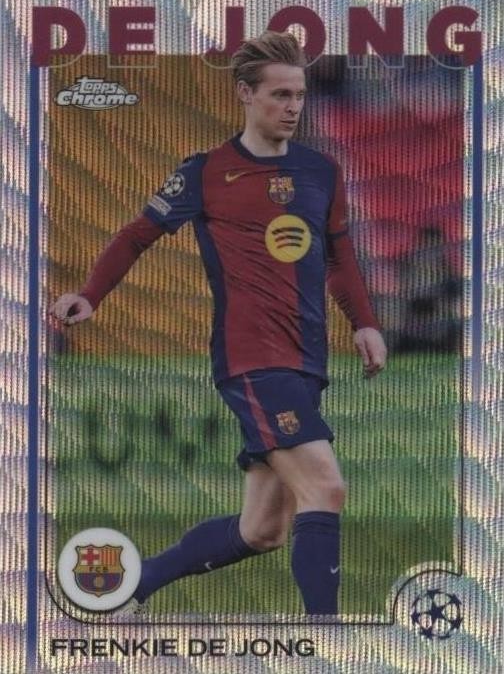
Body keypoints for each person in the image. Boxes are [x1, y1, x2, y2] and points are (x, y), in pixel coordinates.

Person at [49, 30, 387, 616]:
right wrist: (90, 295)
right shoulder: (206, 172)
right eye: (280, 95)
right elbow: (137, 234)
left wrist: (364, 323)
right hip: (252, 359)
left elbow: (339, 256)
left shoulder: (321, 172)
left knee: (263, 530)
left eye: (300, 95)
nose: (293, 107)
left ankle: (132, 587)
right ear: (245, 94)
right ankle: (328, 635)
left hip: (306, 361)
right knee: (325, 487)